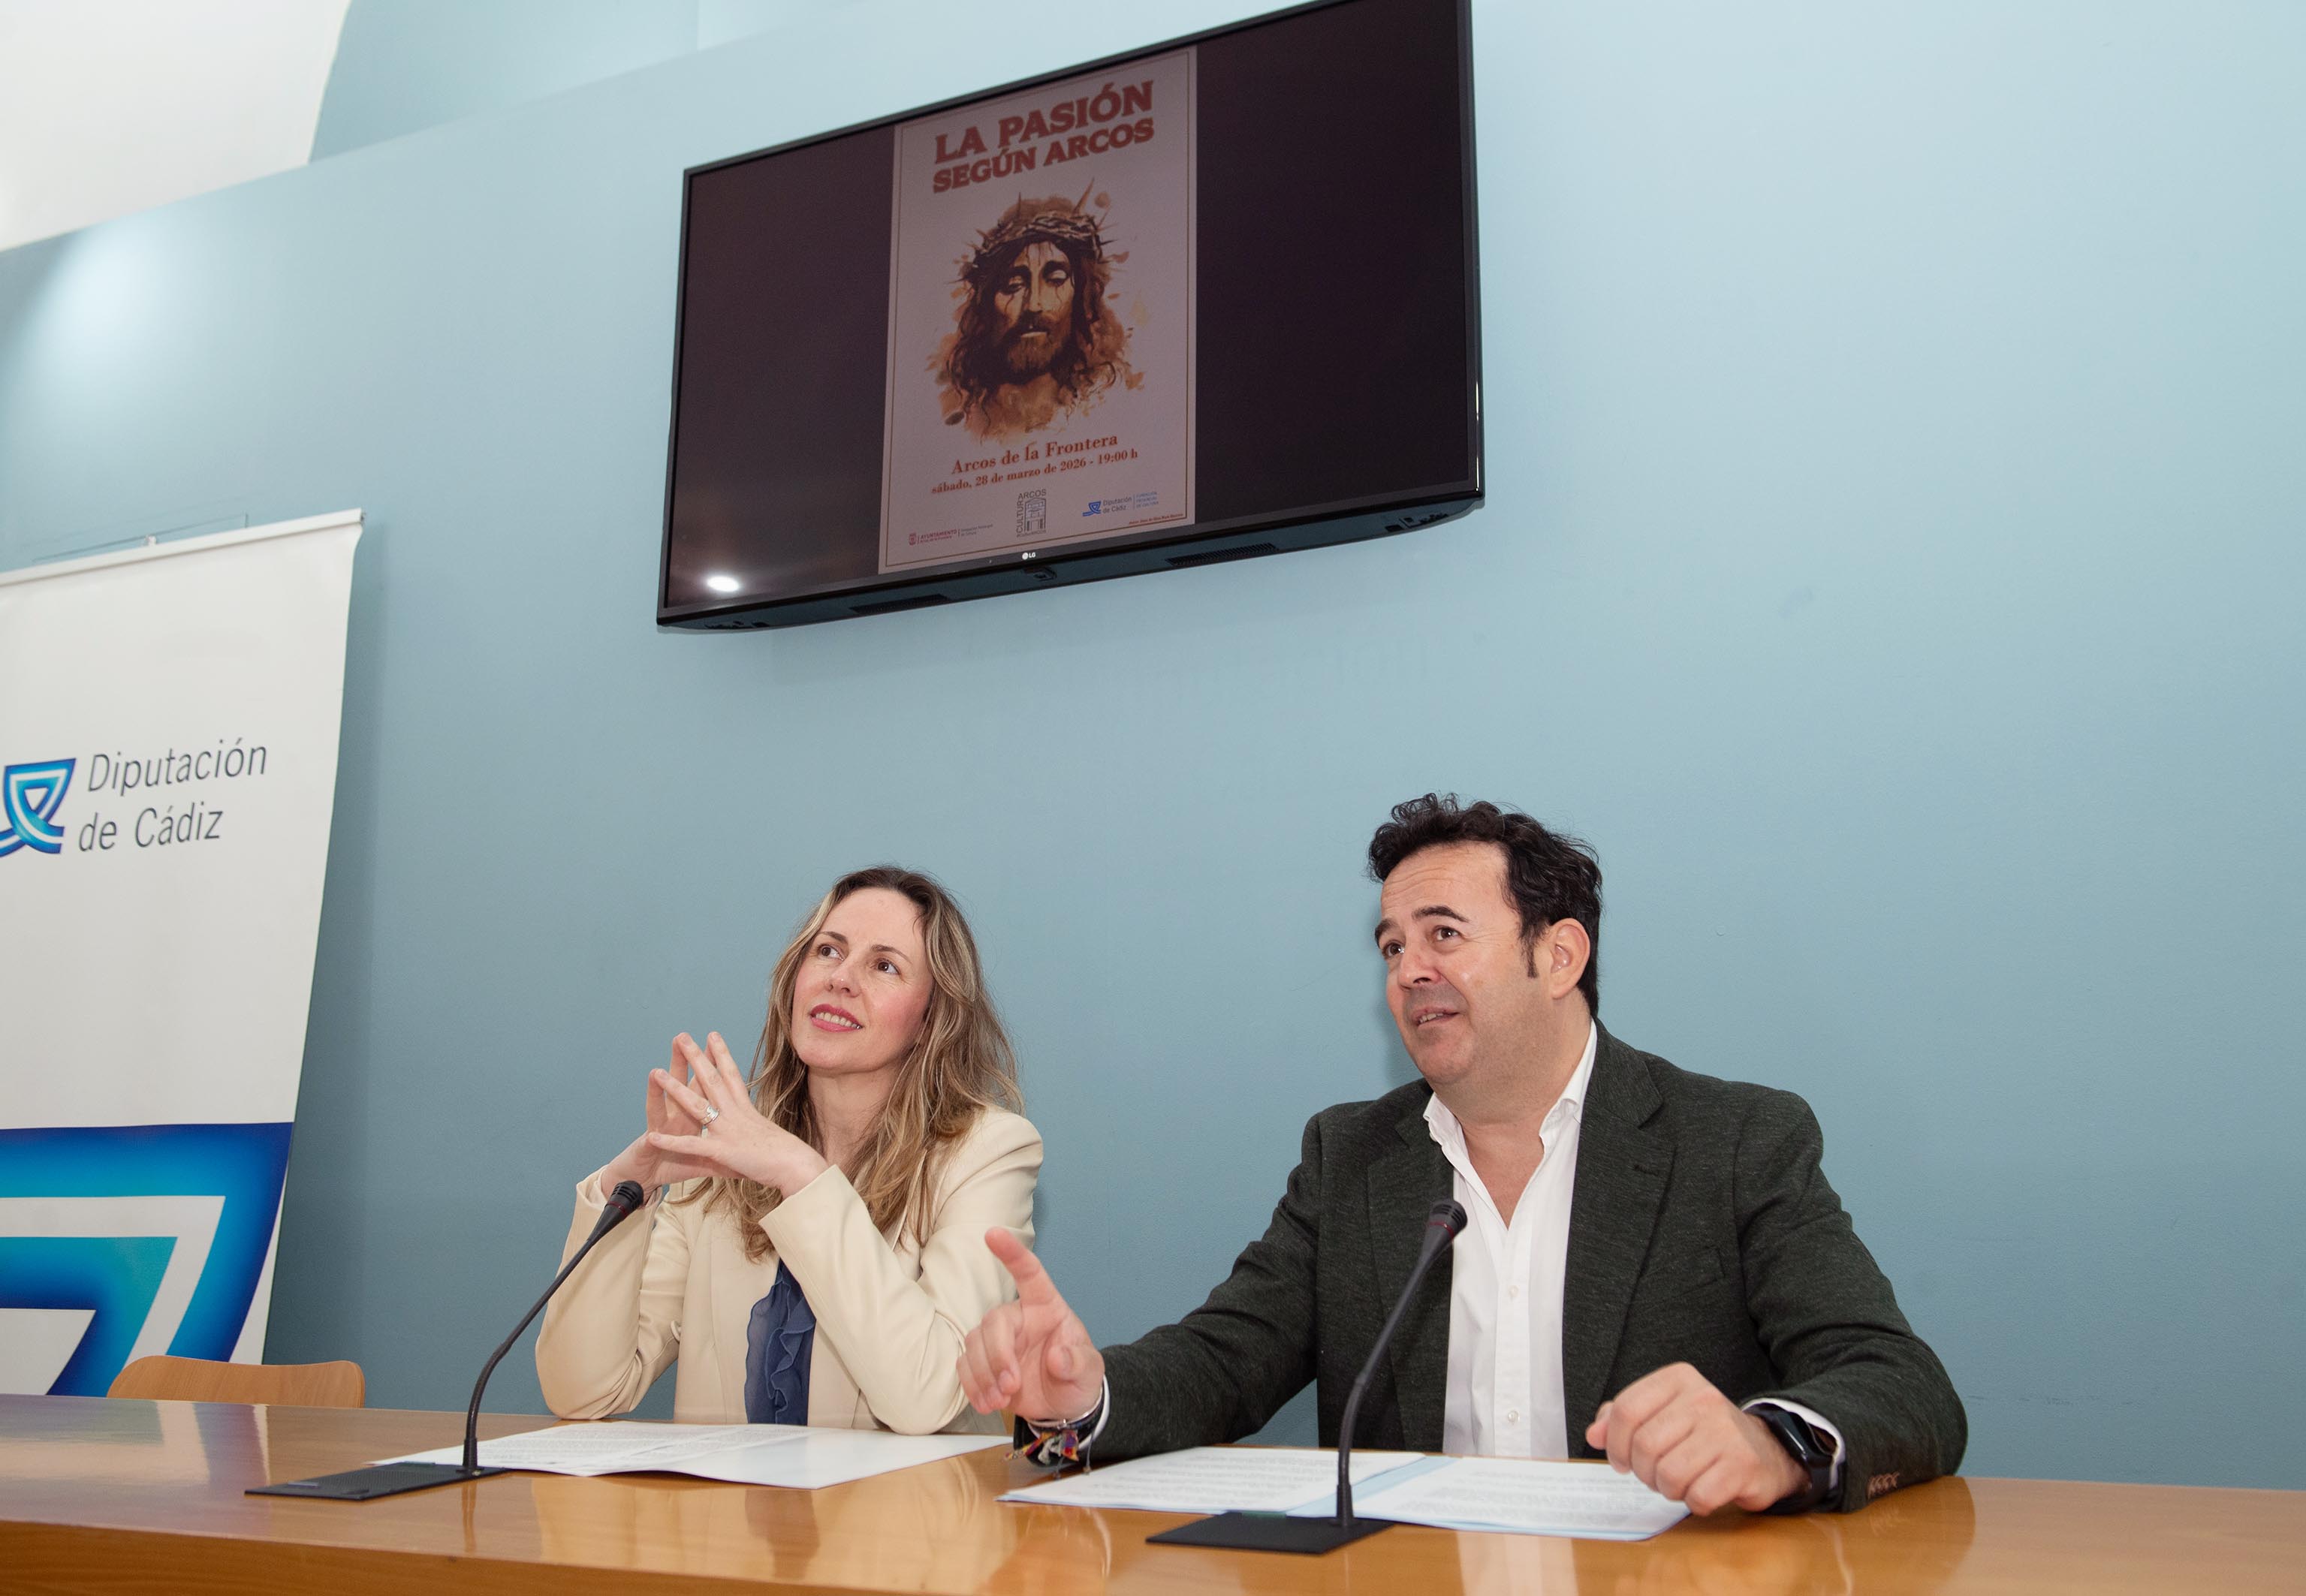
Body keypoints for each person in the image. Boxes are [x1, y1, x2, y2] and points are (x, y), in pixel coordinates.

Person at [957, 796, 1966, 1513]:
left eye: (1443, 932)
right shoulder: (1351, 1155)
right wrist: (1074, 1407)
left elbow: (1898, 1381)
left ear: (1558, 955)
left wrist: (1770, 1442)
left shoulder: (1733, 1140)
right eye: (1392, 945)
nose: (1409, 970)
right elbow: (1223, 1361)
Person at [539, 866, 1040, 1434]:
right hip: (728, 1521)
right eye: (828, 951)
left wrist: (804, 1177)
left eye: (884, 966)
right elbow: (582, 1392)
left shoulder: (989, 1153)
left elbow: (926, 1398)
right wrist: (630, 1185)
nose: (841, 979)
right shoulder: (725, 1159)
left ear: (930, 1021)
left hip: (898, 1520)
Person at [939, 194, 1131, 438]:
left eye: (1056, 281)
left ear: (1081, 296)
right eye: (1014, 284)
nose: (1034, 304)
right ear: (986, 304)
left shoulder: (1108, 400)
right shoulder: (963, 413)